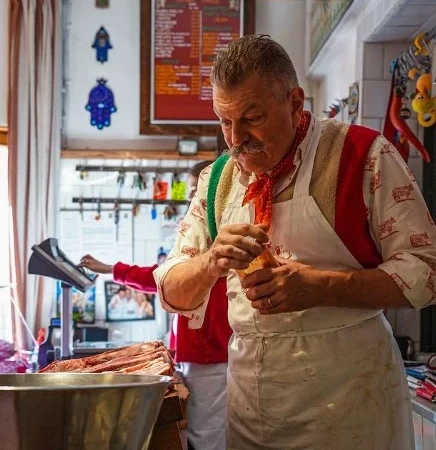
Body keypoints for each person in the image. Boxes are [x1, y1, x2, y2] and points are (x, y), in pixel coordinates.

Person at [153, 34, 436, 449]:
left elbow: (427, 272)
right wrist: (212, 260)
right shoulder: (217, 181)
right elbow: (171, 288)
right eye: (224, 121)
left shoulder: (362, 157)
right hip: (250, 410)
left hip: (350, 408)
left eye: (252, 117)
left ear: (295, 102)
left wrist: (321, 286)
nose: (236, 138)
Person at [80, 161, 232, 450]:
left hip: (210, 353)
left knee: (205, 436)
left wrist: (112, 269)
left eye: (195, 193)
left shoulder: (215, 238)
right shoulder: (199, 236)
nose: (191, 201)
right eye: (190, 194)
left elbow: (160, 278)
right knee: (202, 432)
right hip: (199, 352)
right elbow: (165, 278)